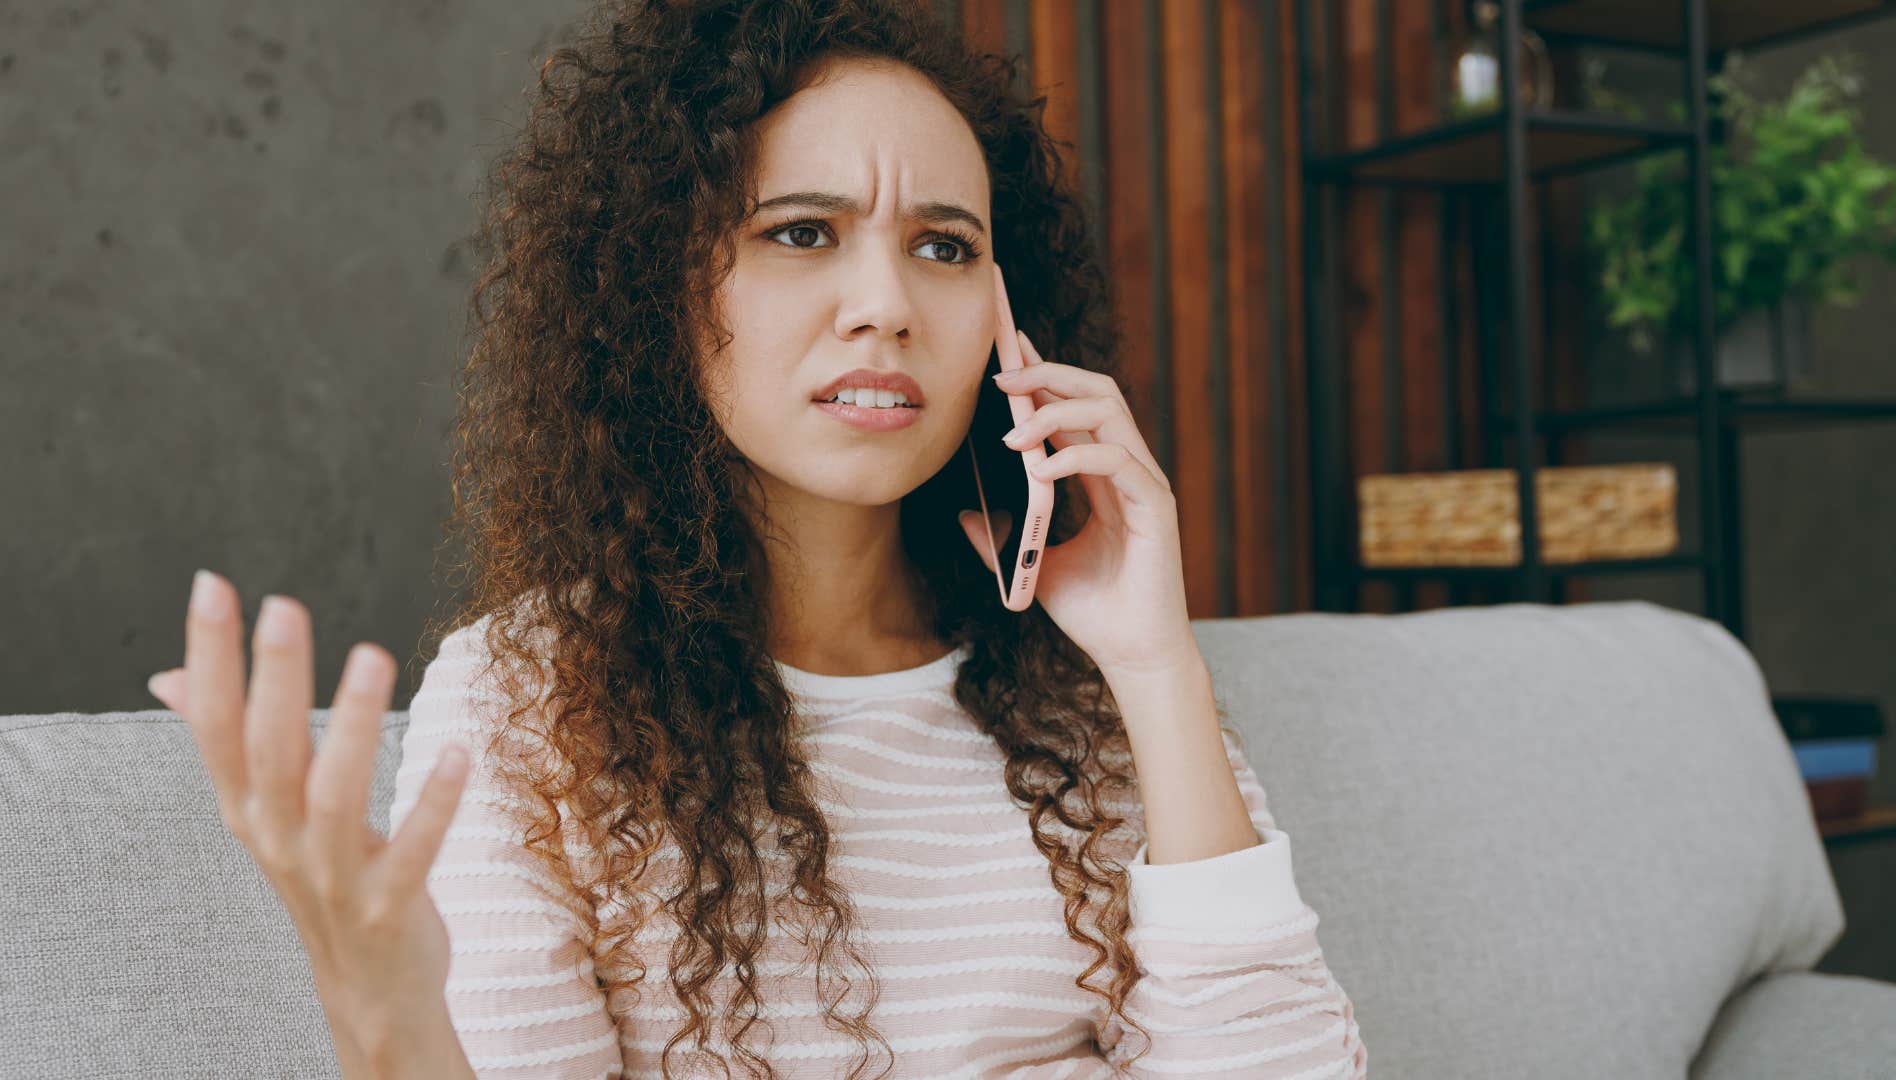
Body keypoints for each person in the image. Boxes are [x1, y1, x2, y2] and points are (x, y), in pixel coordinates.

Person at [149, 1, 1367, 1077]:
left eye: (946, 247)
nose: (887, 304)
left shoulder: (1085, 686)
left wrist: (1156, 670)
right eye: (801, 231)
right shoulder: (530, 701)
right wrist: (382, 1014)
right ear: (661, 285)